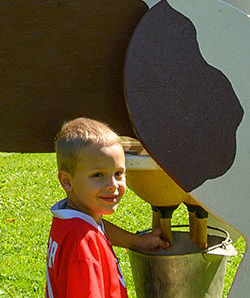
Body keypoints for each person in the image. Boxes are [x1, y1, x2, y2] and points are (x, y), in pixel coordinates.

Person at [47, 118, 169, 297]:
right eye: (98, 175)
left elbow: (98, 229)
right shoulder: (82, 250)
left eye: (118, 173)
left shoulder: (73, 220)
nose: (113, 185)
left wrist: (137, 242)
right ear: (67, 181)